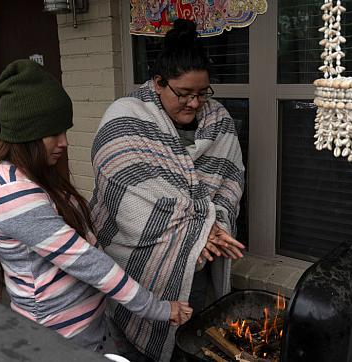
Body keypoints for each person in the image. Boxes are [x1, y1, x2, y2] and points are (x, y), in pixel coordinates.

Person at [0, 59, 192, 355]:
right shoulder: (13, 192)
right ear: (27, 134)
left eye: (65, 131)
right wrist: (159, 309)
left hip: (85, 330)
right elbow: (86, 261)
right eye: (54, 133)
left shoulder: (27, 174)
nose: (64, 142)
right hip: (59, 338)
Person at [90, 19, 245, 361]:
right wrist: (197, 230)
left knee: (190, 342)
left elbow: (229, 182)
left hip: (196, 266)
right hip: (136, 265)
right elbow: (122, 185)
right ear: (159, 83)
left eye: (202, 93)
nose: (194, 104)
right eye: (184, 94)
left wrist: (211, 227)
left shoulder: (218, 119)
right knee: (135, 352)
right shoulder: (126, 115)